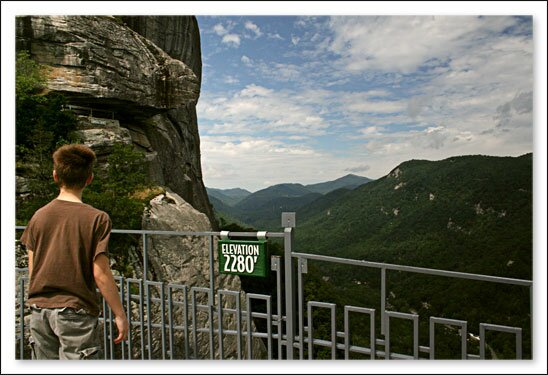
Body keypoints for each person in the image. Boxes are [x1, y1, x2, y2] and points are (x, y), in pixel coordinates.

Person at [20, 144, 129, 359]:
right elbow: (100, 273)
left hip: (39, 310)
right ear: (89, 178)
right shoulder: (97, 218)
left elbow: (34, 269)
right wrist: (119, 314)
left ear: (55, 176)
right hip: (75, 312)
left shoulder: (38, 216)